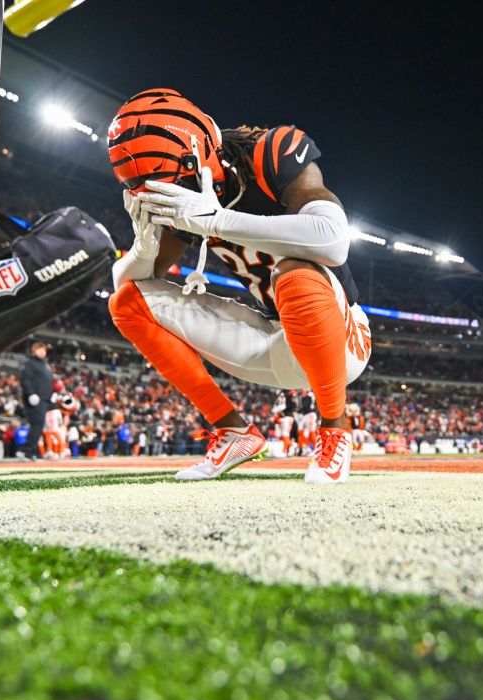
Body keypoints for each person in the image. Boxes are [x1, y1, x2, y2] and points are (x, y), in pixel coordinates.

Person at [106, 89, 371, 484]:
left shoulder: (273, 151)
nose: (176, 193)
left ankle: (335, 431)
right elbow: (129, 291)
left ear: (205, 153)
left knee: (296, 274)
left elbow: (333, 239)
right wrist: (144, 249)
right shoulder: (180, 188)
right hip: (270, 339)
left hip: (339, 337)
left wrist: (214, 221)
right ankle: (234, 432)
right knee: (127, 301)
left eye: (177, 182)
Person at [19, 341, 54, 459]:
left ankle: (30, 451)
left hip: (44, 400)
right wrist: (30, 394)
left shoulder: (45, 364)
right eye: (40, 349)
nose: (42, 351)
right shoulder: (30, 363)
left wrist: (51, 395)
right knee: (37, 424)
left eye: (44, 349)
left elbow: (47, 382)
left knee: (38, 425)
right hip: (35, 399)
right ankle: (27, 450)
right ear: (34, 350)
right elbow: (25, 379)